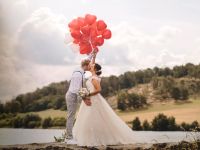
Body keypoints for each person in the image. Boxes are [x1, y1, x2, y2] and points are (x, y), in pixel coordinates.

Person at [72, 63, 139, 146]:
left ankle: (95, 140)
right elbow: (93, 63)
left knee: (91, 118)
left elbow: (98, 89)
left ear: (95, 69)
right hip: (91, 99)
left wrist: (88, 94)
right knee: (89, 118)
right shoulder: (93, 76)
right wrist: (94, 54)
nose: (90, 66)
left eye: (92, 66)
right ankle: (89, 139)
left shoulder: (94, 78)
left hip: (94, 99)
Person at [65, 52, 96, 144]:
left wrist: (92, 54)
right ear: (86, 66)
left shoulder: (79, 69)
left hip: (75, 94)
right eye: (89, 66)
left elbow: (86, 59)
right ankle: (68, 138)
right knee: (71, 116)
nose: (90, 67)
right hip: (72, 95)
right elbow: (76, 90)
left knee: (71, 116)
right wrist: (84, 99)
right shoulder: (78, 75)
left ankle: (69, 136)